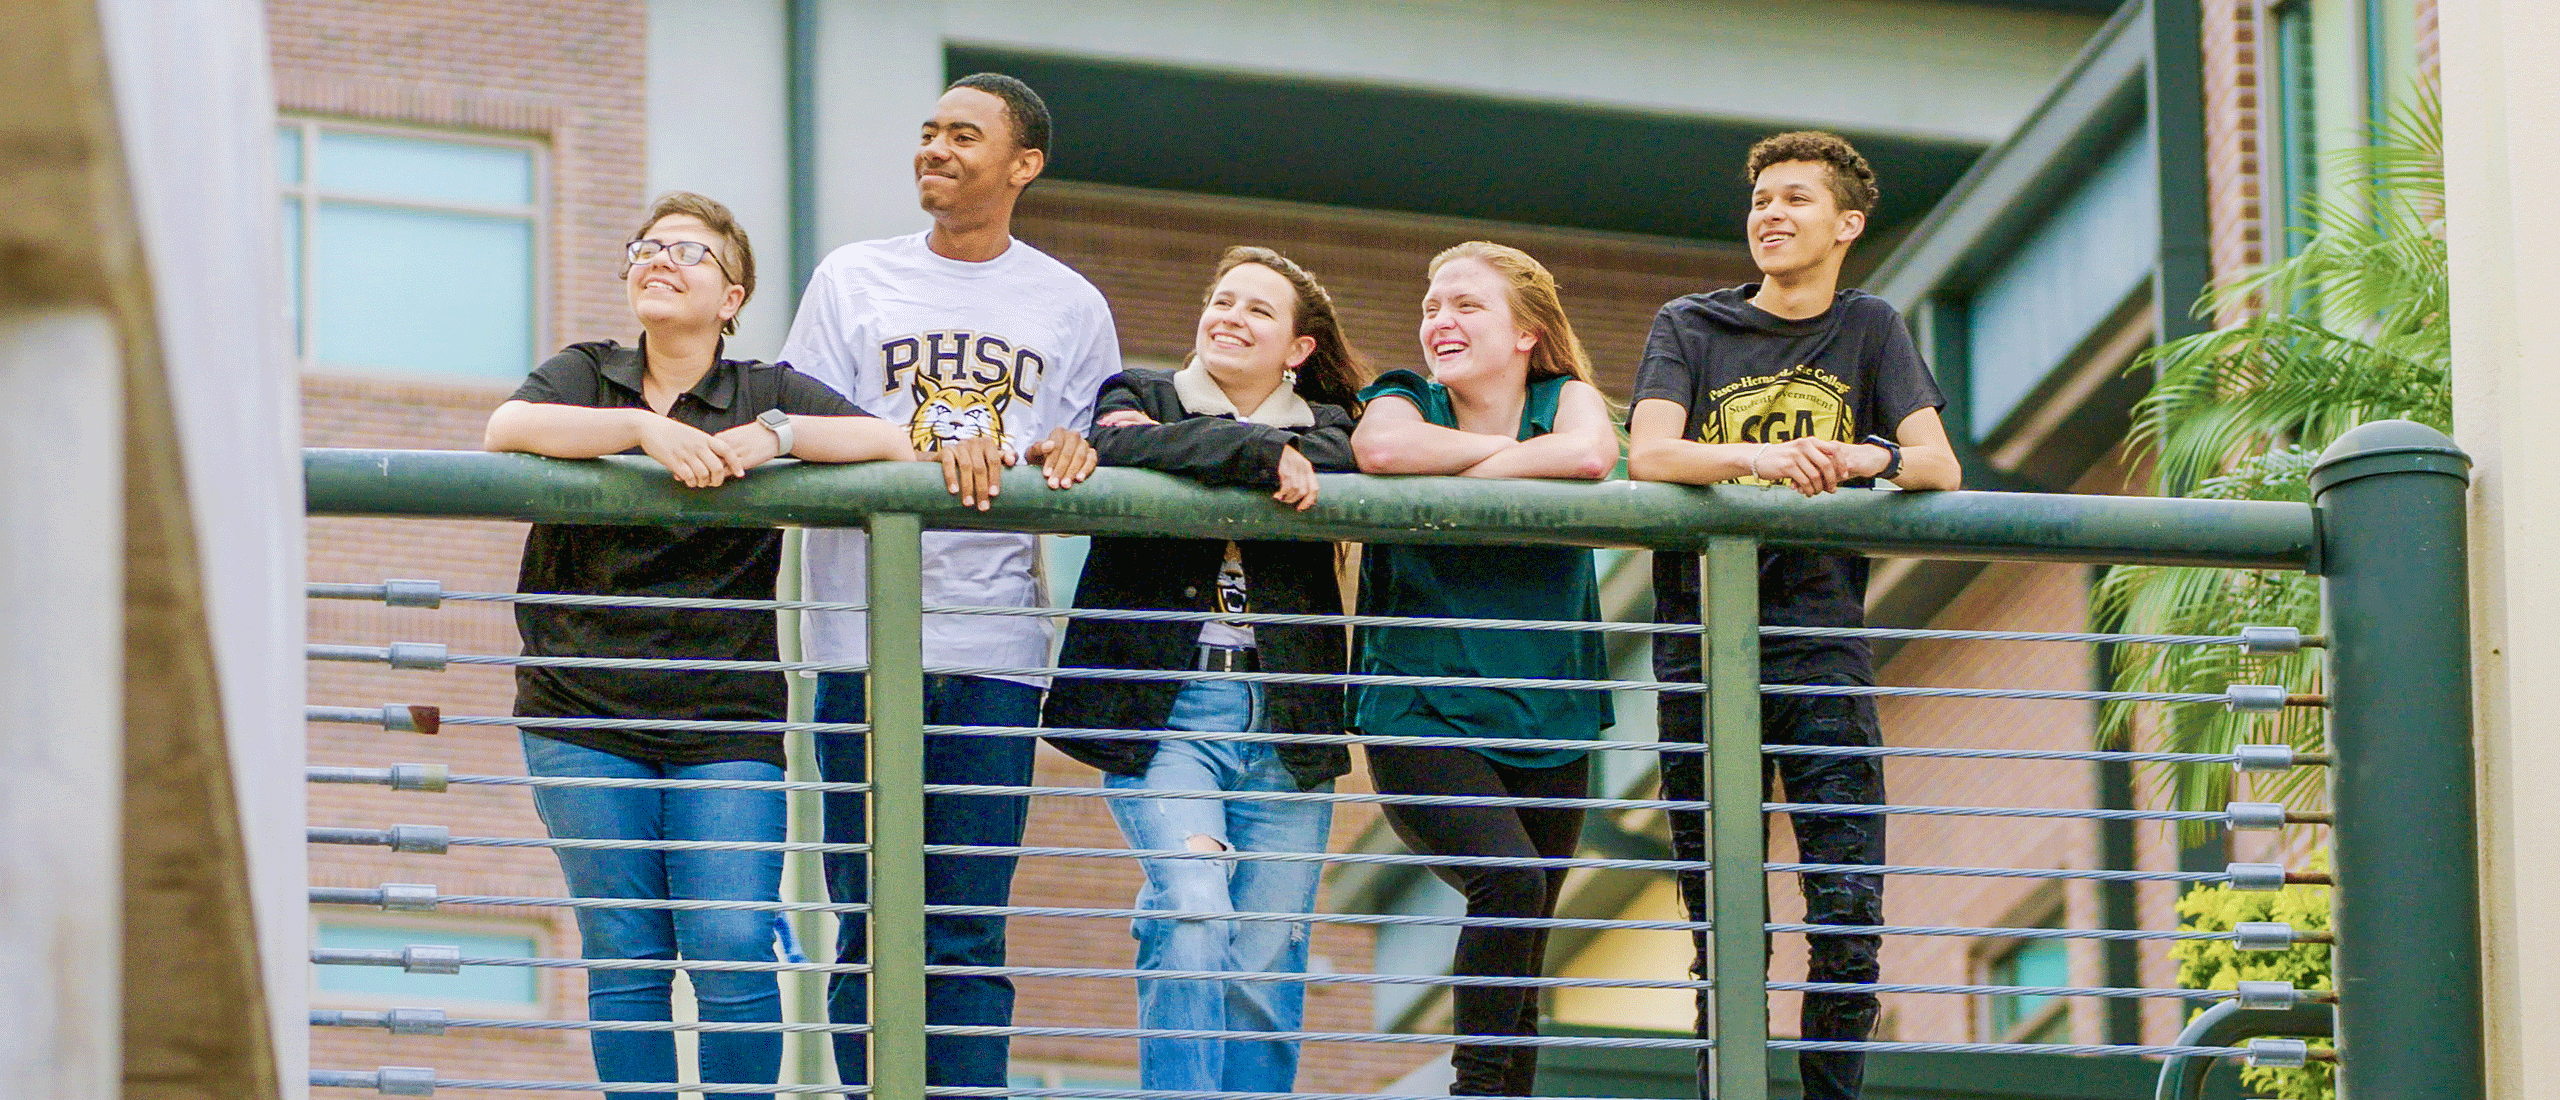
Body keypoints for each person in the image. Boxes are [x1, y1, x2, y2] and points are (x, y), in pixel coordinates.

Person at [483, 191, 913, 1099]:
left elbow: (892, 440)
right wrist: (644, 429)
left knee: (731, 950)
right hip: (580, 713)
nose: (660, 259)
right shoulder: (585, 374)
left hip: (726, 720)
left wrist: (776, 437)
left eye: (689, 252)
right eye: (646, 247)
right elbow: (507, 430)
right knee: (626, 955)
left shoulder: (763, 389)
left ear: (733, 295)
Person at [775, 72, 1119, 1089]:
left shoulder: (1069, 302)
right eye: (927, 131)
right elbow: (803, 434)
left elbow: (1092, 444)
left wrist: (1072, 449)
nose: (934, 147)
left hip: (996, 651)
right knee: (868, 915)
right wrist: (937, 446)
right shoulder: (852, 278)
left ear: (1022, 165)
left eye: (962, 135)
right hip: (860, 642)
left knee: (966, 924)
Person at [1624, 131, 1961, 1100]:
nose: (1769, 214)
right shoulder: (1689, 324)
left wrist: (1861, 457)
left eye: (1795, 200)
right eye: (1760, 199)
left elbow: (1936, 465)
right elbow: (1649, 456)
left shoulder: (1869, 327)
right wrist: (1764, 461)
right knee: (1722, 915)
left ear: (1846, 224)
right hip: (1701, 645)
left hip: (1818, 640)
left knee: (1848, 903)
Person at [1040, 246, 1368, 1095]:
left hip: (1287, 720)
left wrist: (1187, 449)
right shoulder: (1137, 395)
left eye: (1258, 310)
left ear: (1297, 348)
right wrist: (1257, 456)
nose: (1229, 316)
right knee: (1192, 908)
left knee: (1263, 962)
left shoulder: (1332, 424)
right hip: (1169, 711)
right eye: (1221, 299)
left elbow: (1336, 463)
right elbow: (1117, 446)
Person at [1349, 241, 1621, 1096]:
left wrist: (1471, 476)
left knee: (1526, 941)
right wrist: (1511, 475)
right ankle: (1473, 1089)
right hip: (1420, 710)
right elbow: (1383, 454)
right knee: (1507, 881)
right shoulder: (1402, 395)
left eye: (1466, 305)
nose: (1440, 320)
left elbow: (1590, 457)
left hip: (1552, 715)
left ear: (1527, 333)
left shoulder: (1564, 398)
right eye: (1433, 305)